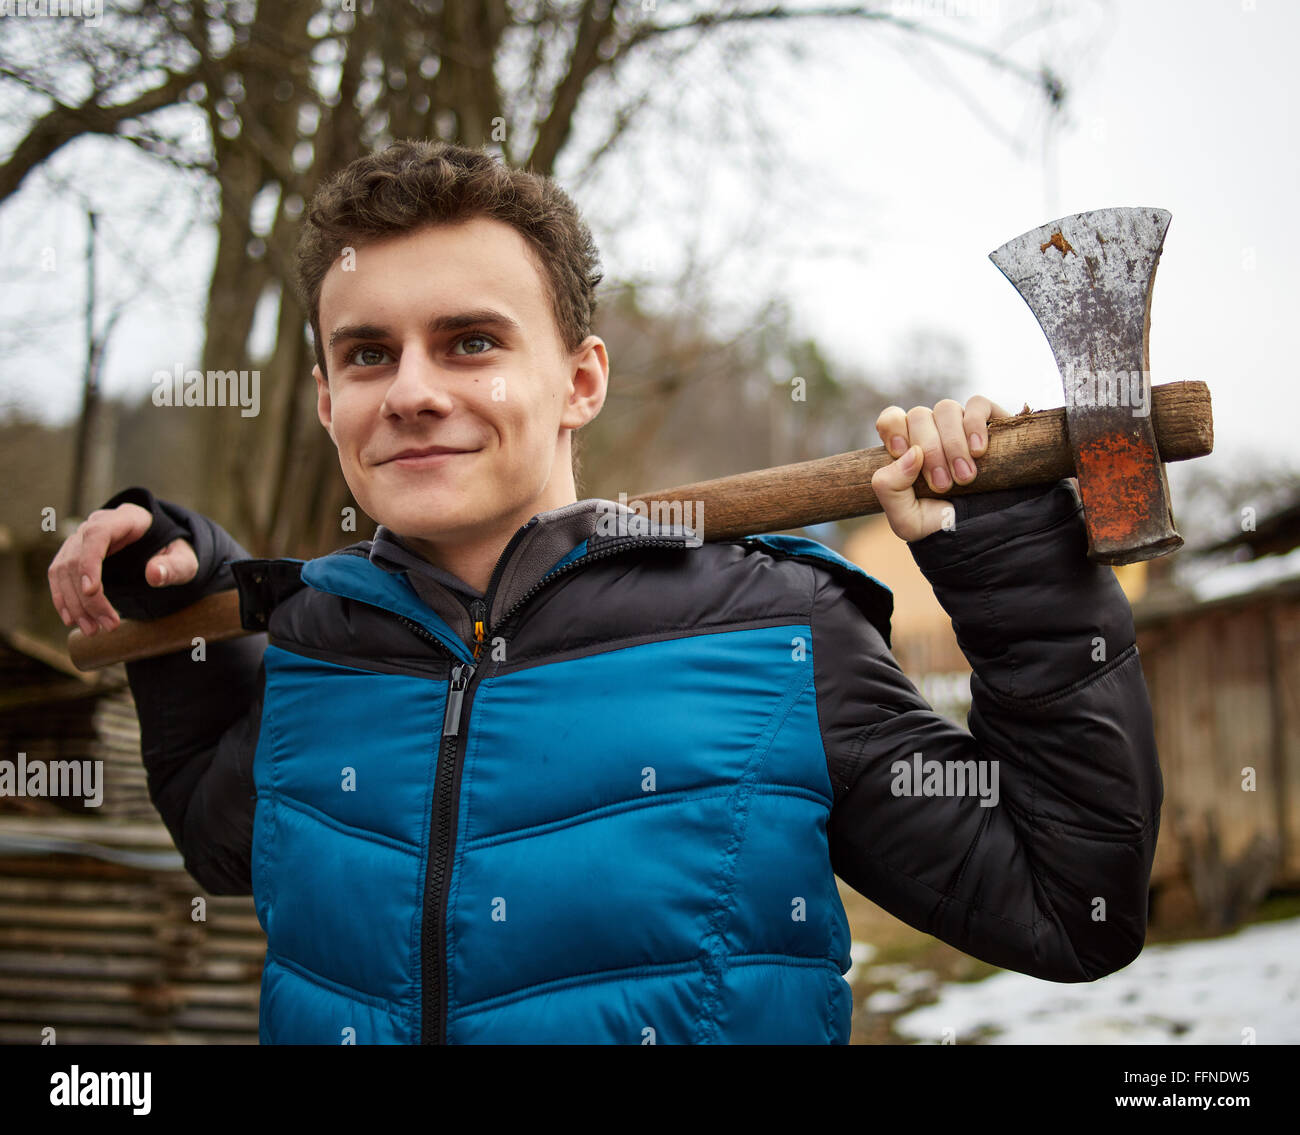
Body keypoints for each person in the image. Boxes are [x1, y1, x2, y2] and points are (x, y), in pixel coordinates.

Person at [47, 140, 1162, 1045]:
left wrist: (1015, 561)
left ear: (579, 380)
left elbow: (1072, 907)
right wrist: (180, 591)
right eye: (369, 354)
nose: (415, 391)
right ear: (328, 395)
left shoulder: (771, 634)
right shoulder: (312, 652)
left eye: (470, 341)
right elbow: (214, 834)